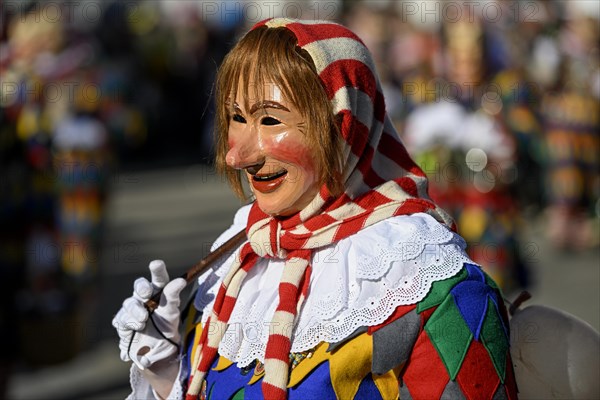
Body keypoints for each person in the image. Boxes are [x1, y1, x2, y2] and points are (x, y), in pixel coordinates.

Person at [113, 18, 518, 400]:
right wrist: (168, 373)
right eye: (236, 118)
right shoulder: (235, 266)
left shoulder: (432, 284)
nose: (238, 156)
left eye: (270, 120)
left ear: (343, 127)